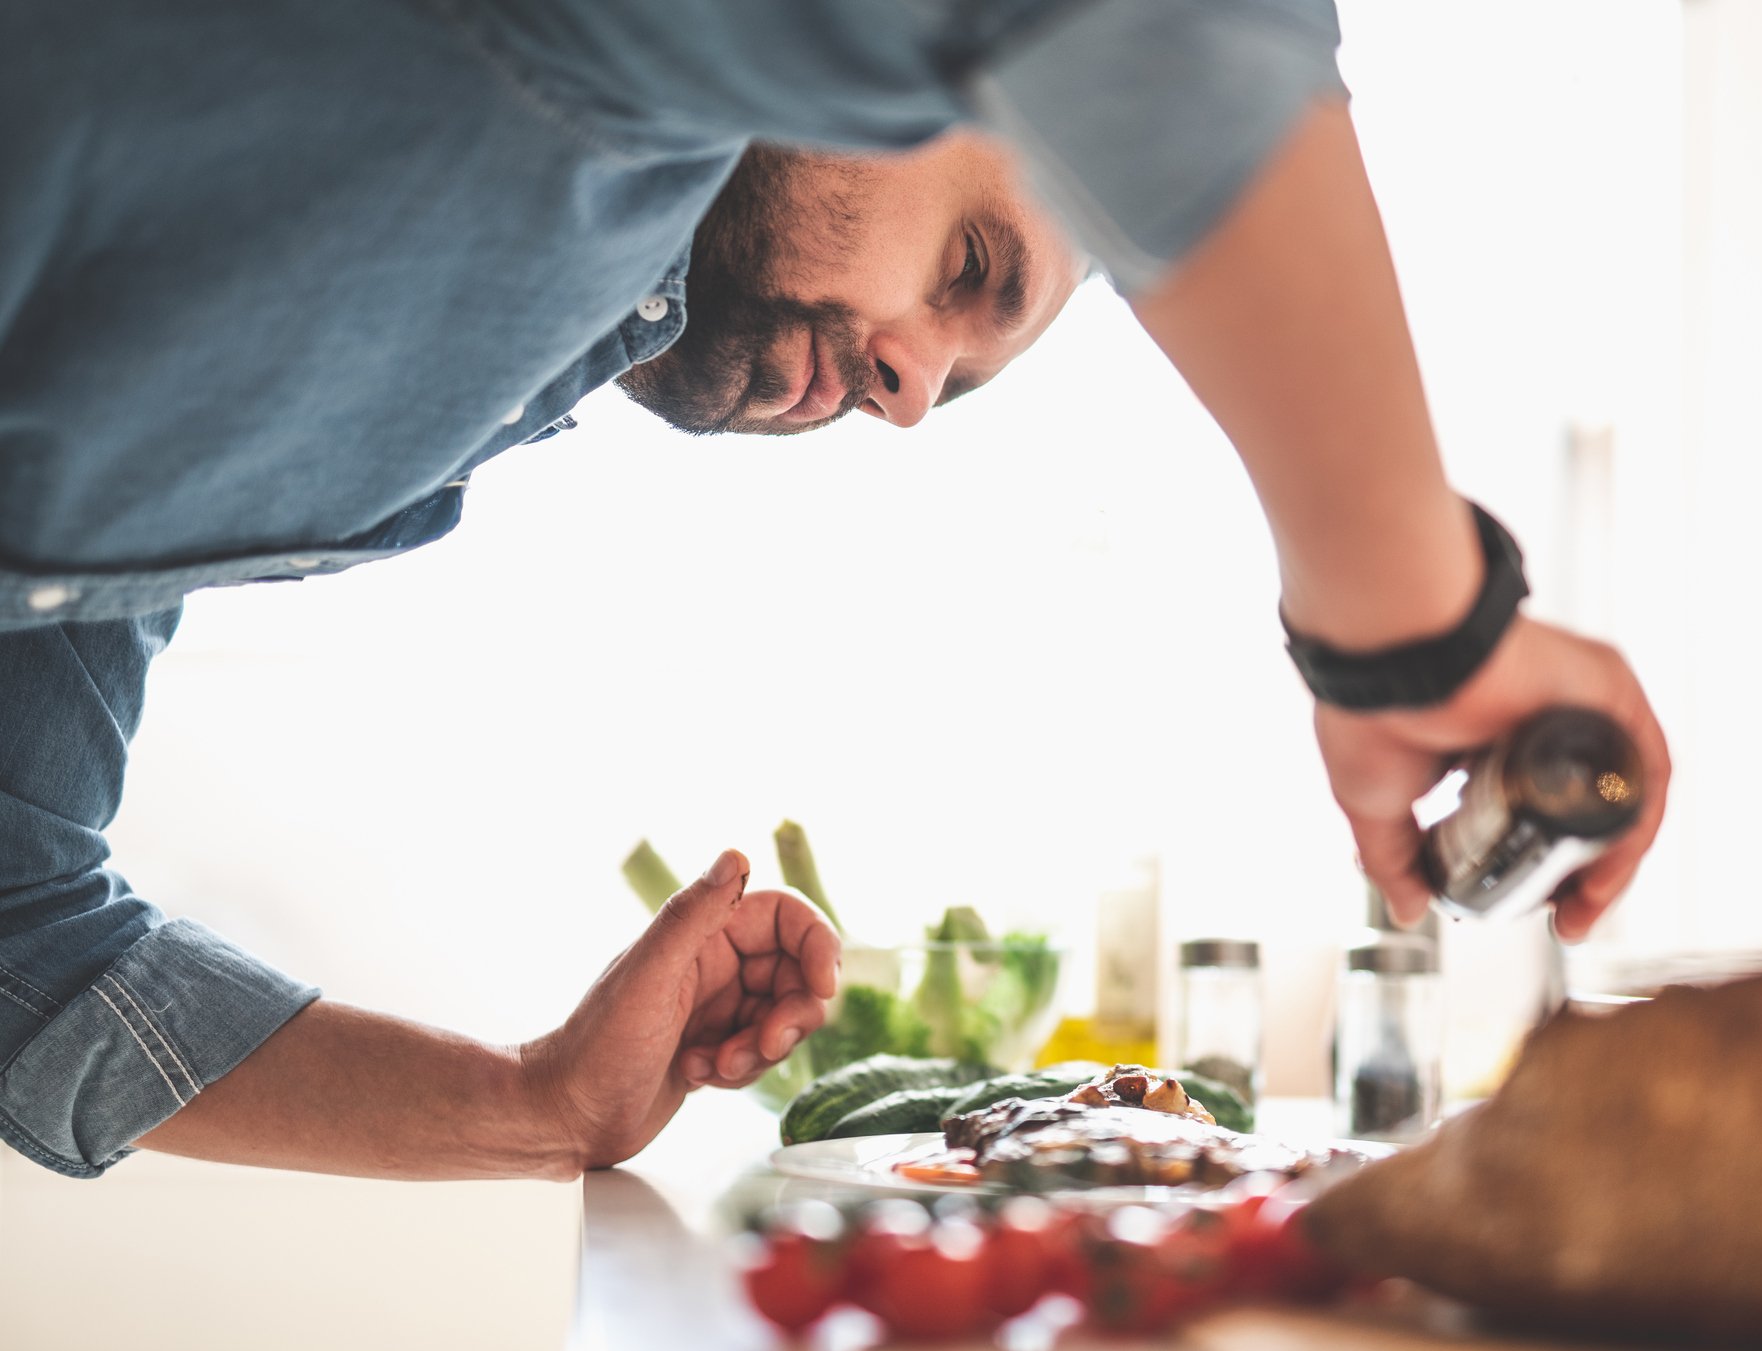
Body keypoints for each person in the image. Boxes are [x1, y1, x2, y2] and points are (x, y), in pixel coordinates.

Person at [0, 0, 1669, 1182]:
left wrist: (539, 1103)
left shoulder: (320, 432)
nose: (911, 394)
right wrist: (1412, 626)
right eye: (971, 268)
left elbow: (27, 940)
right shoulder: (622, 80)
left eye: (960, 379)